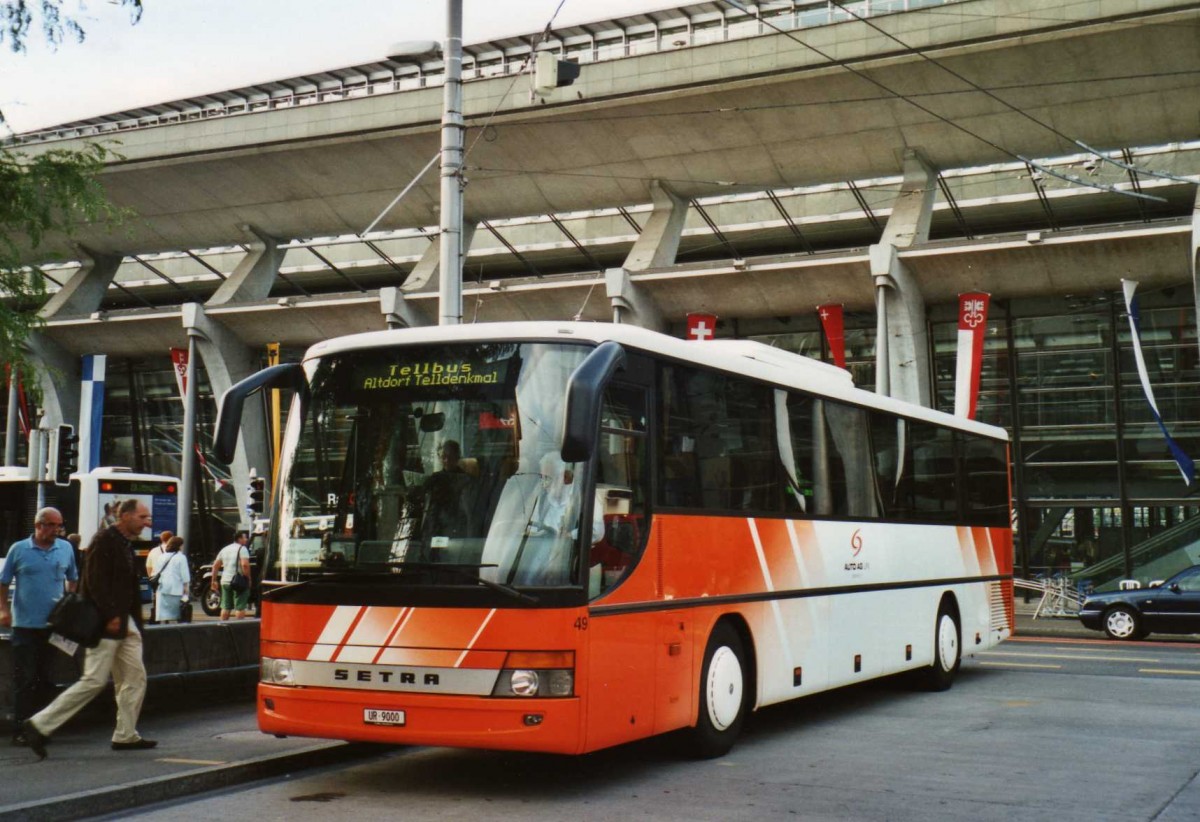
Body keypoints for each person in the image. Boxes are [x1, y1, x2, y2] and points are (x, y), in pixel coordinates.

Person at [21, 499, 157, 759]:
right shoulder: (104, 540)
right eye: (142, 517)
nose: (146, 521)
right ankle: (39, 724)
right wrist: (111, 615)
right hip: (109, 624)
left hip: (124, 623)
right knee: (94, 681)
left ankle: (126, 734)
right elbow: (93, 579)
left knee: (134, 678)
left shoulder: (121, 542)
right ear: (125, 516)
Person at [0, 507, 77, 747]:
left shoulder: (65, 548)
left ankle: (43, 727)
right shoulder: (19, 549)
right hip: (24, 625)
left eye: (59, 525)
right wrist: (3, 609)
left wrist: (68, 602)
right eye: (52, 525)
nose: (57, 530)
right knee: (25, 678)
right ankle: (21, 728)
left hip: (53, 625)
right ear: (39, 525)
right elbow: (3, 582)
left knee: (47, 678)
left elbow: (73, 577)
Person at [211, 530, 251, 620]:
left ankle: (223, 628)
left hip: (225, 581)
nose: (246, 539)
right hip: (238, 582)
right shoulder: (242, 549)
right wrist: (248, 578)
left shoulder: (225, 549)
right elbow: (245, 565)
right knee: (240, 607)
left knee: (225, 607)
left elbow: (215, 565)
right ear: (239, 539)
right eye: (245, 537)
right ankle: (238, 628)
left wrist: (213, 580)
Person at [153, 536, 190, 623]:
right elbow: (185, 576)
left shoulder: (161, 557)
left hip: (162, 589)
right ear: (179, 546)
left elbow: (156, 572)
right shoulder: (181, 557)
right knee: (176, 615)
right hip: (176, 590)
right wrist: (186, 590)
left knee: (164, 616)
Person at [145, 530, 172, 623]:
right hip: (168, 579)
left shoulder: (153, 551)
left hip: (155, 579)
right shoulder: (174, 551)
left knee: (156, 598)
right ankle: (166, 619)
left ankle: (155, 617)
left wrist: (151, 577)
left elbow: (148, 566)